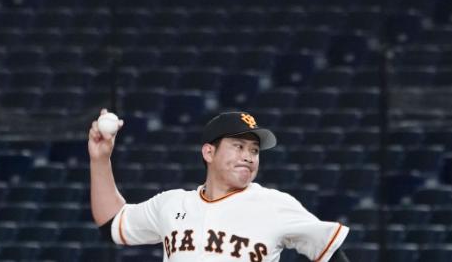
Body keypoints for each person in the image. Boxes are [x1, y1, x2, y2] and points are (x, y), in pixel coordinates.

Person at [89, 109, 351, 261]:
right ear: (208, 153)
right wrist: (100, 159)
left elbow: (328, 248)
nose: (249, 156)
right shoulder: (171, 204)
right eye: (238, 146)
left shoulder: (275, 205)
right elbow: (111, 223)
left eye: (255, 150)